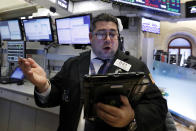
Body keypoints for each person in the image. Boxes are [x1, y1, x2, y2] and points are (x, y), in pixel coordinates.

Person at [19, 13, 168, 131]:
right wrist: (44, 86)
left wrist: (132, 118)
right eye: (101, 33)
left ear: (118, 37)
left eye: (113, 34)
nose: (108, 39)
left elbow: (158, 105)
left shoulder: (136, 66)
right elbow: (55, 94)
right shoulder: (73, 64)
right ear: (91, 37)